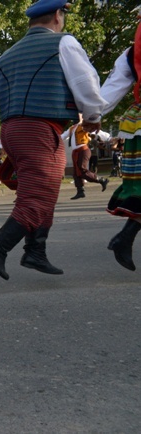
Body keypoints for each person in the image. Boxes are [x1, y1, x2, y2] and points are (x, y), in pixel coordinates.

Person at [0, 0, 107, 280]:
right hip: (39, 128)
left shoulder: (6, 55)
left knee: (45, 191)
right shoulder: (64, 43)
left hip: (13, 129)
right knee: (38, 194)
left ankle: (36, 252)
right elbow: (85, 82)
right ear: (58, 16)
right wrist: (93, 114)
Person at [99, 9, 141, 271]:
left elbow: (110, 91)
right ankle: (124, 239)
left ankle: (124, 239)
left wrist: (90, 115)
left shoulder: (131, 52)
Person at [62, 120, 109, 200]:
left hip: (83, 149)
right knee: (76, 172)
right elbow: (62, 136)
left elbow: (96, 131)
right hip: (75, 152)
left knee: (82, 169)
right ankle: (80, 191)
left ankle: (102, 180)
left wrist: (109, 138)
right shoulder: (72, 128)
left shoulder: (84, 125)